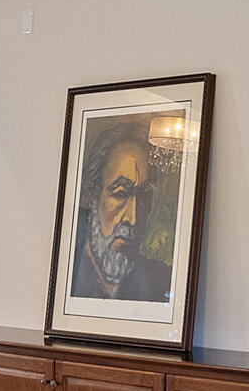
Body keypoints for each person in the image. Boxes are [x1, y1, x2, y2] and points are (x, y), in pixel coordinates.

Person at [69, 126, 172, 302]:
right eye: (120, 194)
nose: (132, 219)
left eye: (144, 196)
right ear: (91, 197)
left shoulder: (162, 280)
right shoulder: (68, 273)